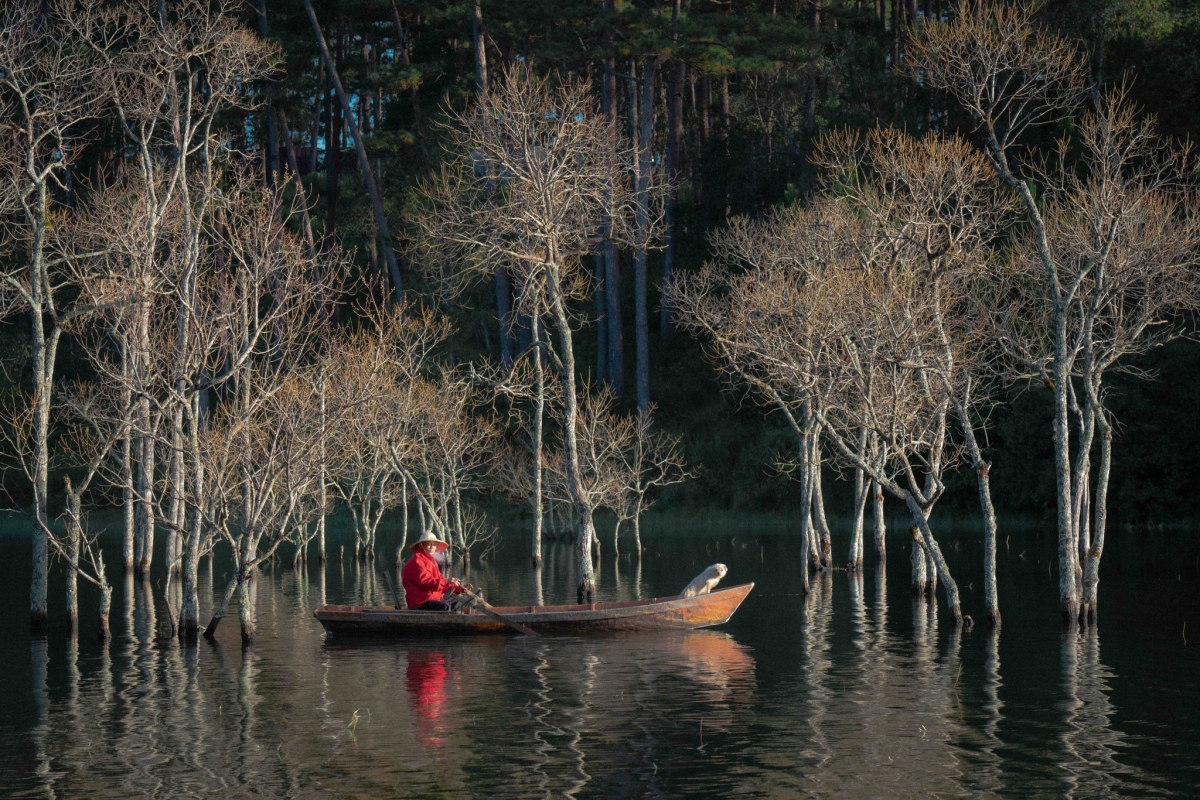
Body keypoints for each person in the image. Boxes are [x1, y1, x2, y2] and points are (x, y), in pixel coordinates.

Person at [402, 531, 468, 610]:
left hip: (433, 600)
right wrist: (447, 581)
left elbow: (440, 586)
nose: (432, 547)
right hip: (420, 602)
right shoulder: (417, 560)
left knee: (458, 604)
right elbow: (425, 582)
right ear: (421, 545)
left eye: (434, 545)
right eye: (429, 544)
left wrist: (460, 589)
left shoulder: (431, 561)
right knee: (445, 607)